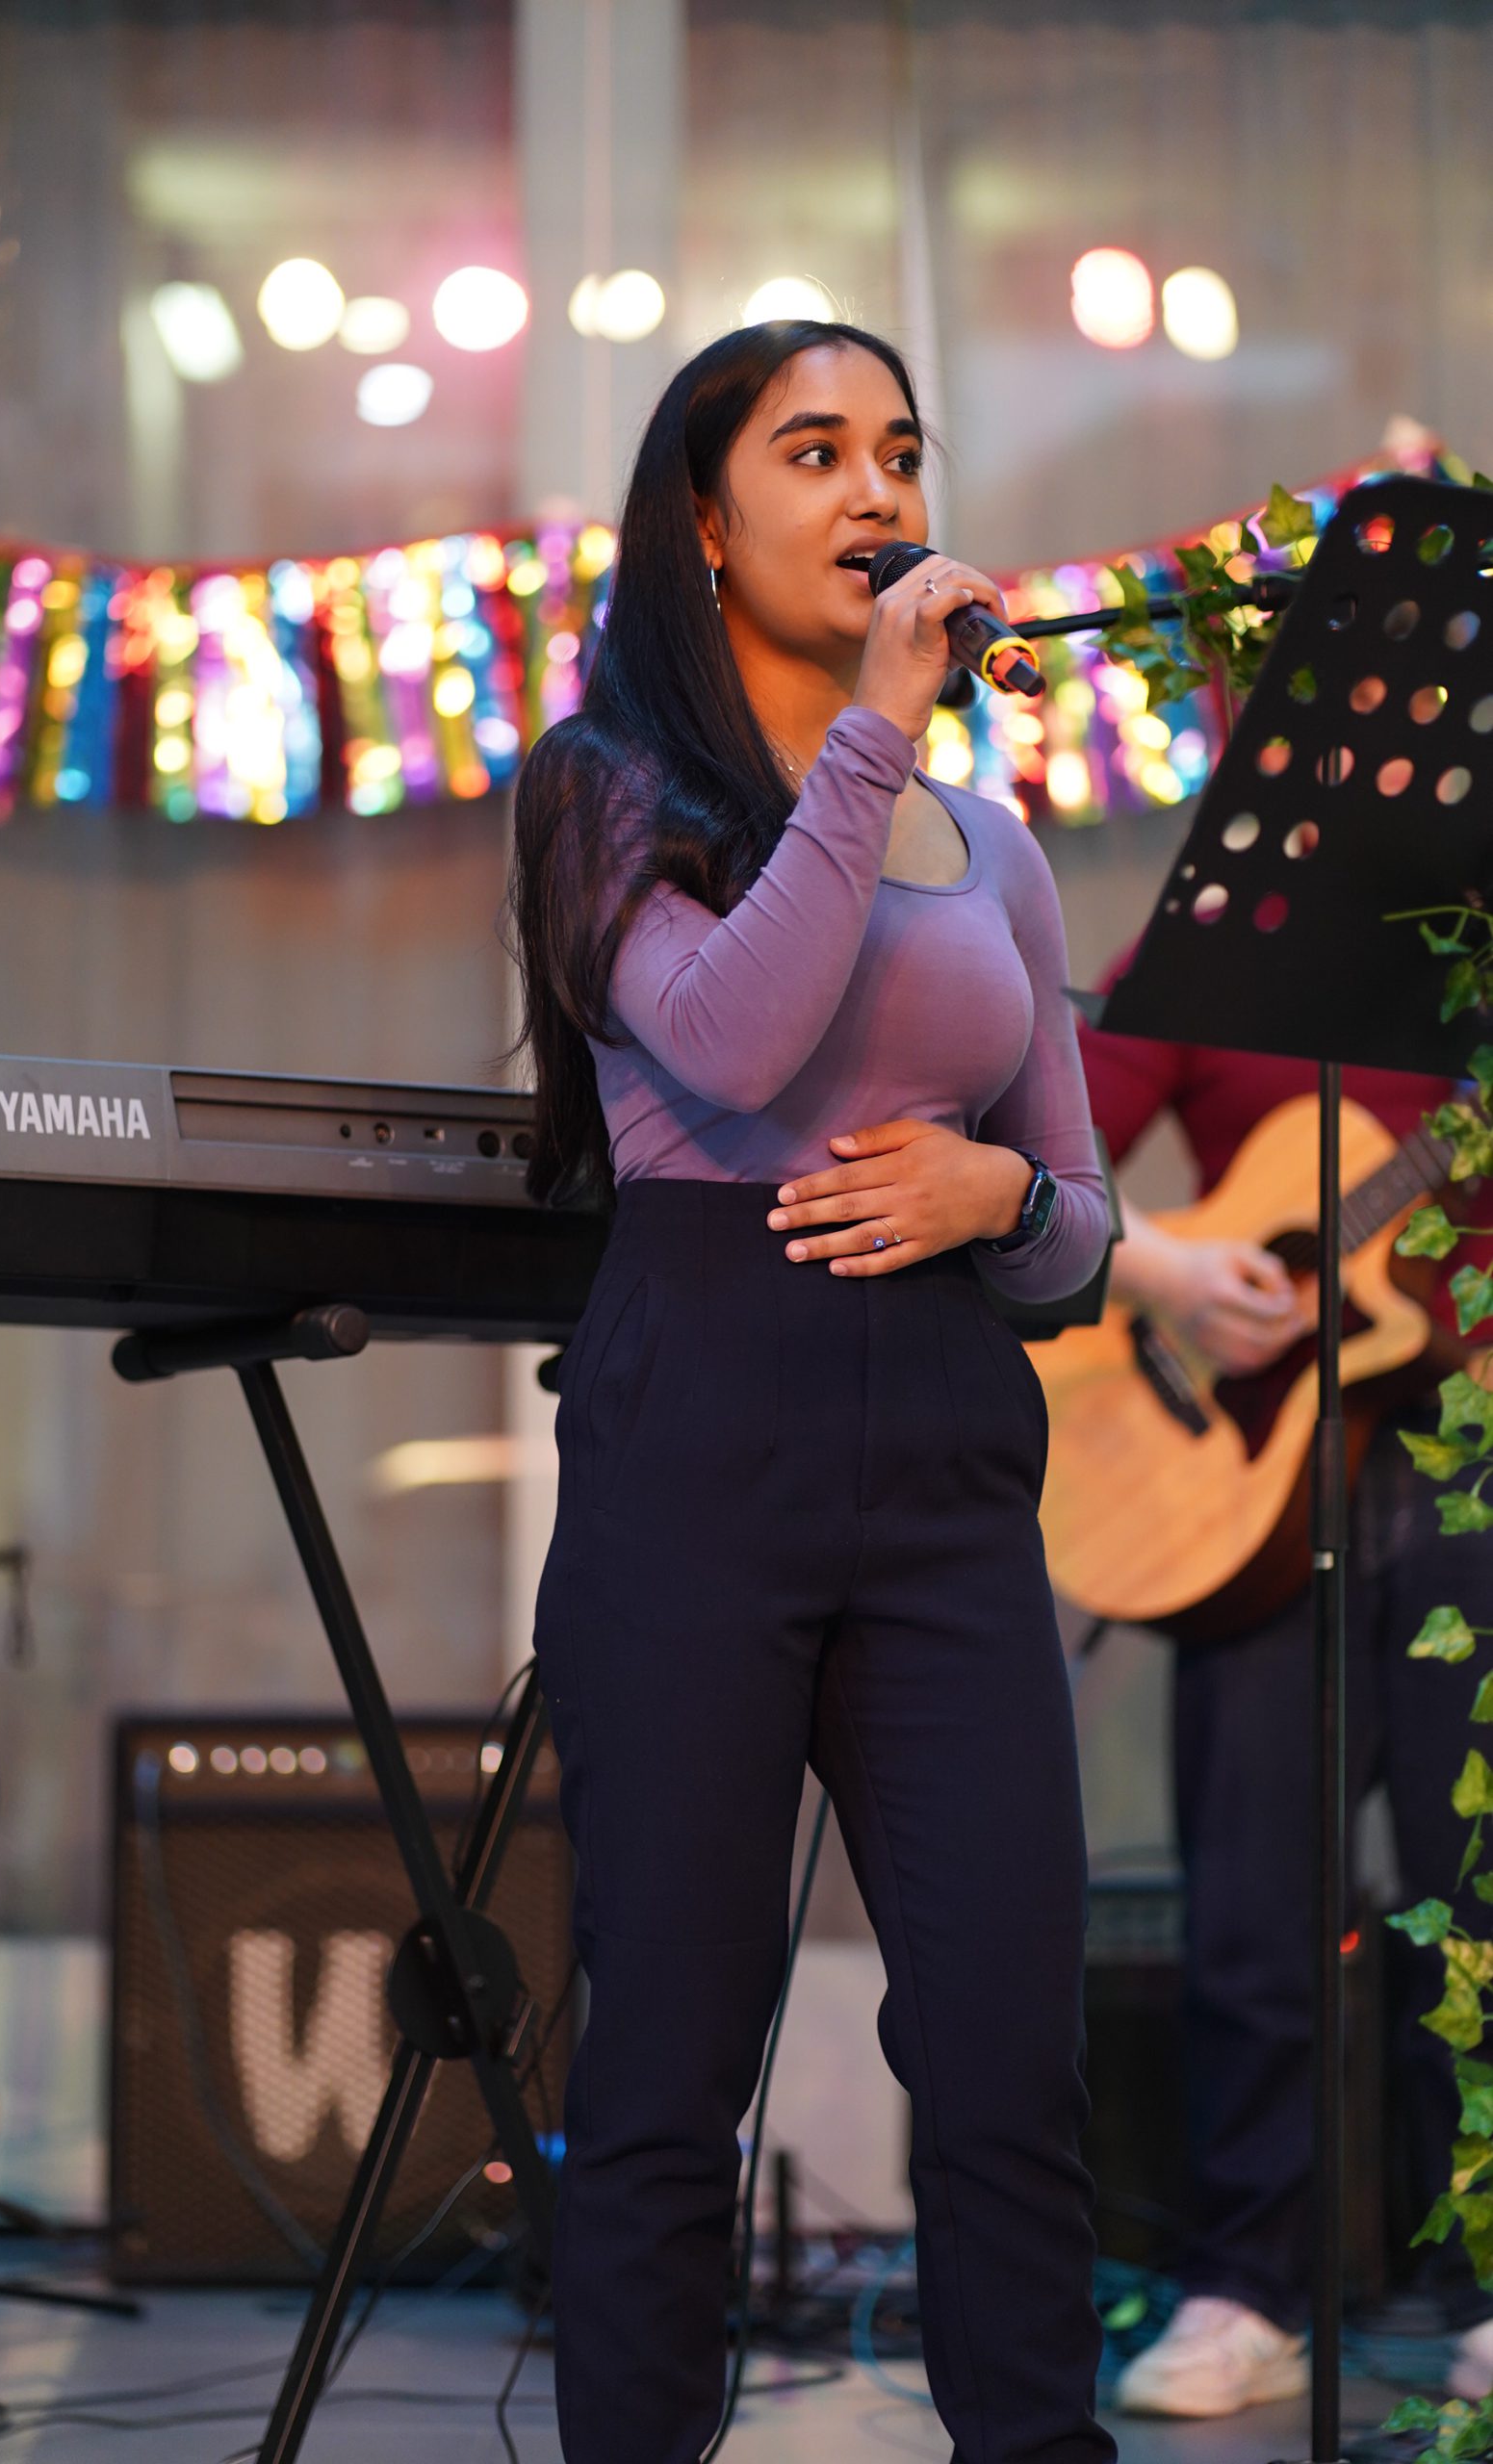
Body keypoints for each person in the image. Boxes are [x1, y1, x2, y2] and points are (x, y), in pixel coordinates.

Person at [508, 320, 1116, 2464]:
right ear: (701, 520)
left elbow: (1079, 1233)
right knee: (670, 2065)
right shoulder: (602, 791)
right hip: (700, 1441)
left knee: (1007, 2055)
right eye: (814, 451)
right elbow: (733, 1042)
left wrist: (993, 1191)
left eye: (900, 452)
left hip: (946, 1464)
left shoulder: (992, 847)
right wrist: (870, 733)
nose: (875, 492)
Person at [1066, 952, 1493, 2416]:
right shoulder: (1214, 949)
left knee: (1475, 1890)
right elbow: (1035, 1151)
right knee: (1252, 1899)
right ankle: (1246, 2285)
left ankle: (1484, 2280)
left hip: (1467, 1443)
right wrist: (1172, 1273)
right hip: (1247, 1489)